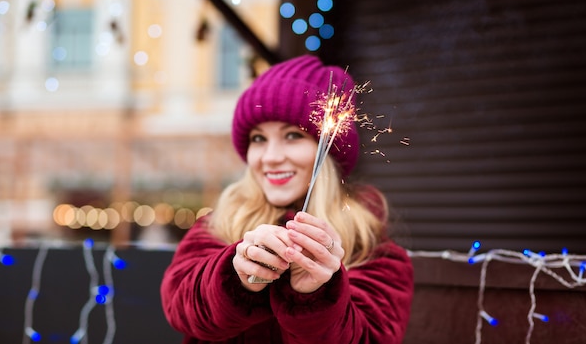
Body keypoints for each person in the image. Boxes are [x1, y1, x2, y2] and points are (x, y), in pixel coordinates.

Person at [160, 55, 414, 344]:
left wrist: (315, 295)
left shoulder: (370, 247)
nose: (270, 157)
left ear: (327, 152)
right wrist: (237, 275)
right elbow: (179, 307)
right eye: (258, 139)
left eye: (292, 135)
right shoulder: (219, 223)